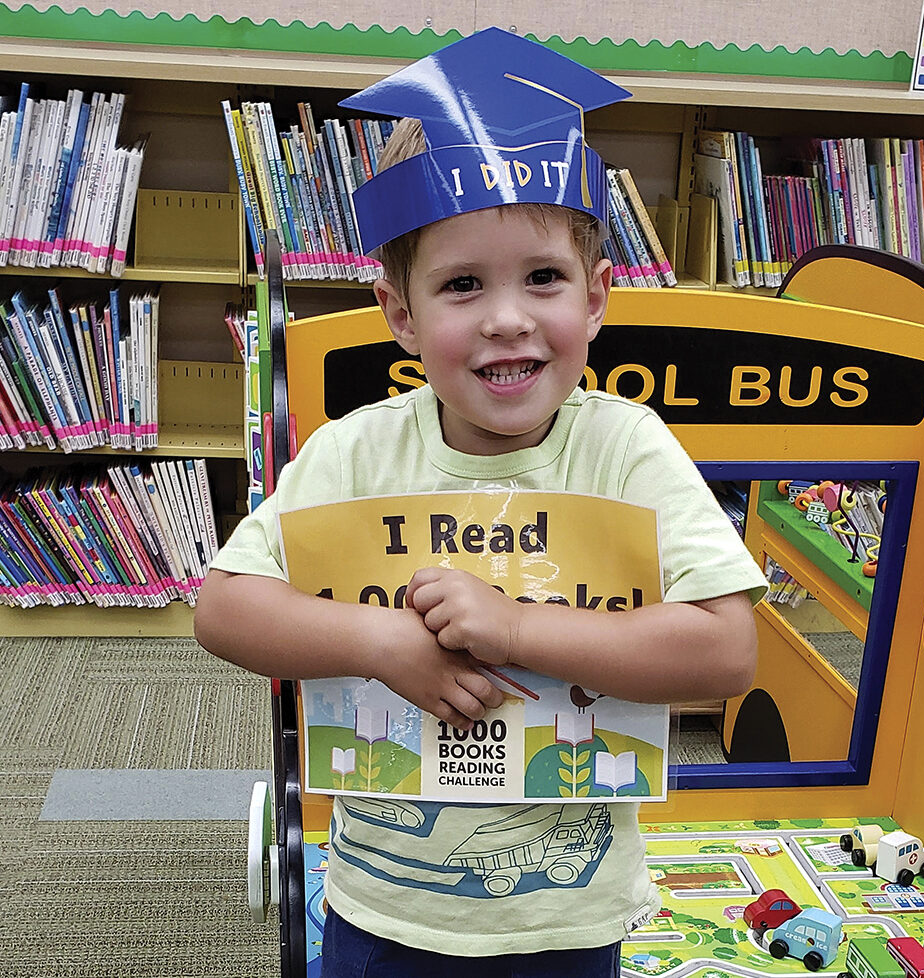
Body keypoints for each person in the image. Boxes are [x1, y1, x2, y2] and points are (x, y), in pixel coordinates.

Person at [194, 26, 768, 978]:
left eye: (543, 278)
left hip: (568, 920)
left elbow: (726, 646)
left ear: (596, 299)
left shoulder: (627, 448)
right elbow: (225, 608)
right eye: (463, 285)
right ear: (401, 313)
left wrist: (513, 628)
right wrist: (386, 646)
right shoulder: (357, 451)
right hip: (381, 906)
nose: (508, 317)